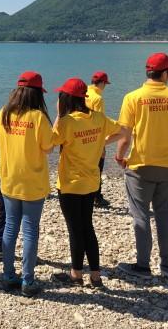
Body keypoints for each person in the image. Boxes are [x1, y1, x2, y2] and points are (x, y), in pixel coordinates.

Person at [115, 52, 168, 279]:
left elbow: (125, 136)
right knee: (163, 214)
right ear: (165, 73)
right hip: (167, 165)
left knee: (141, 216)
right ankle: (166, 265)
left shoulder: (132, 97)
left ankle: (143, 266)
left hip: (140, 165)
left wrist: (119, 156)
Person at [50, 78, 124, 288]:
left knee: (75, 229)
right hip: (91, 182)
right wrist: (101, 142)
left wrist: (58, 115)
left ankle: (76, 274)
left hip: (70, 184)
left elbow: (50, 142)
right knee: (87, 227)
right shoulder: (98, 118)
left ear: (66, 99)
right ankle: (96, 276)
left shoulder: (67, 122)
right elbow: (122, 131)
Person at [0, 71, 53, 297]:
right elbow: (48, 147)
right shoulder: (38, 117)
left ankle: (8, 276)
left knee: (10, 227)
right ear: (37, 93)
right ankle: (28, 281)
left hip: (9, 179)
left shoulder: (4, 113)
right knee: (30, 231)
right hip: (33, 183)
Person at [86, 71, 111, 207]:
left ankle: (85, 194)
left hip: (80, 136)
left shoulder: (84, 92)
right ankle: (97, 197)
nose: (105, 87)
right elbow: (99, 122)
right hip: (94, 138)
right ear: (102, 83)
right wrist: (102, 146)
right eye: (105, 84)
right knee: (97, 168)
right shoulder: (98, 98)